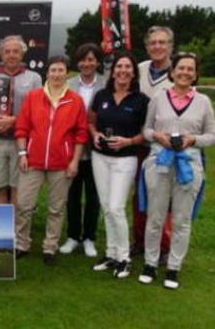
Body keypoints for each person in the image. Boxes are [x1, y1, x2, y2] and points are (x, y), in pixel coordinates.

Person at [139, 53, 215, 290]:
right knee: (155, 217)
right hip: (160, 162)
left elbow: (211, 136)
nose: (185, 73)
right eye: (181, 68)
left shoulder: (203, 102)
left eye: (190, 69)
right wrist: (158, 136)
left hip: (188, 165)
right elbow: (147, 129)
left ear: (195, 74)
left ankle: (173, 267)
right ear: (172, 72)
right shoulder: (160, 98)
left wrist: (192, 139)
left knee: (182, 220)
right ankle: (150, 263)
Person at [14, 56, 88, 265]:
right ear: (47, 73)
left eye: (60, 70)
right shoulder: (33, 97)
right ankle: (22, 244)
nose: (56, 74)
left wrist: (74, 161)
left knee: (56, 208)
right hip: (33, 161)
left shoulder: (75, 100)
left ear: (67, 73)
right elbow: (22, 128)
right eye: (53, 70)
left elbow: (81, 134)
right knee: (24, 205)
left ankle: (50, 247)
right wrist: (22, 154)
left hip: (61, 163)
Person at [88, 52, 149, 278]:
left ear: (134, 72)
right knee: (106, 206)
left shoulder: (141, 100)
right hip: (100, 157)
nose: (123, 70)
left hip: (126, 158)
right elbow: (91, 122)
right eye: (119, 66)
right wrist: (95, 135)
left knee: (116, 207)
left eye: (127, 67)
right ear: (113, 71)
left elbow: (147, 133)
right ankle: (111, 253)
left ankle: (125, 258)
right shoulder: (101, 95)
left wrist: (129, 141)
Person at [0, 35, 42, 205]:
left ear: (23, 54)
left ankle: (17, 231)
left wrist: (15, 120)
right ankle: (2, 230)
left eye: (16, 52)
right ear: (1, 54)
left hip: (21, 142)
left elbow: (39, 109)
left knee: (18, 187)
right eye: (7, 52)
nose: (11, 55)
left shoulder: (34, 78)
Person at [132, 26, 175, 258]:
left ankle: (164, 247)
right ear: (147, 46)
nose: (157, 47)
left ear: (170, 46)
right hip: (139, 142)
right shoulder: (140, 69)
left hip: (165, 146)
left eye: (162, 42)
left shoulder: (179, 70)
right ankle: (139, 242)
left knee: (163, 197)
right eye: (153, 43)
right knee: (139, 196)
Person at [60, 43, 106, 257]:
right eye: (83, 60)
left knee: (93, 196)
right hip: (72, 151)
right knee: (72, 195)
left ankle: (89, 238)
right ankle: (72, 236)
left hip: (98, 150)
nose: (87, 63)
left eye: (91, 59)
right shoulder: (67, 84)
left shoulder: (106, 85)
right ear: (77, 62)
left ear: (97, 62)